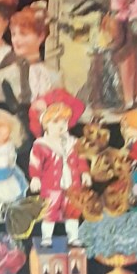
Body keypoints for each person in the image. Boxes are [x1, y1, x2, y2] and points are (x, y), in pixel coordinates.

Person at [28, 89, 90, 245]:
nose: (61, 126)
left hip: (73, 185)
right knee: (49, 211)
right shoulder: (41, 145)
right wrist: (35, 177)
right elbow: (35, 163)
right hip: (51, 186)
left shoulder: (73, 142)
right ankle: (46, 238)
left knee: (73, 210)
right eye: (56, 122)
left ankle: (73, 237)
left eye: (65, 121)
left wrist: (85, 173)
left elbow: (81, 159)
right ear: (45, 125)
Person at [0, 2, 62, 109]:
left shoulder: (53, 76)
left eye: (23, 34)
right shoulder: (1, 77)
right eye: (14, 34)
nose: (16, 40)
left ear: (40, 36)